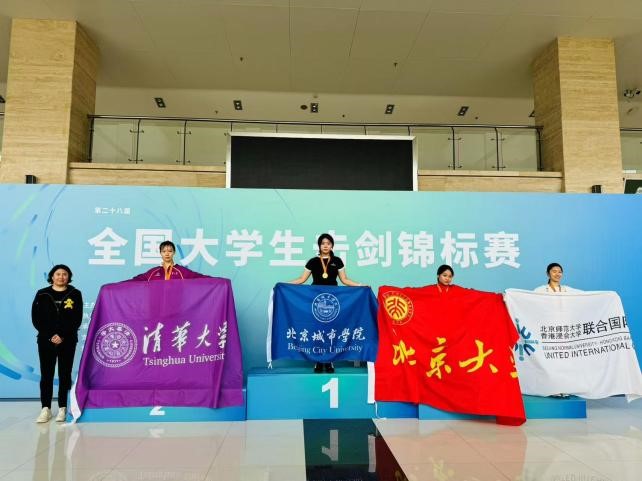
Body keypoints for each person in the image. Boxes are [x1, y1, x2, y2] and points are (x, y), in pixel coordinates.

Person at [289, 233, 363, 373]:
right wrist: (284, 284)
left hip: (333, 301)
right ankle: (317, 361)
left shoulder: (337, 261)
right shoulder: (312, 262)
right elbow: (301, 279)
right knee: (317, 330)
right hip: (316, 301)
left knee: (331, 330)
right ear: (319, 245)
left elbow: (345, 280)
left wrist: (361, 285)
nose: (325, 246)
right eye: (323, 243)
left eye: (328, 243)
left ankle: (329, 361)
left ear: (332, 246)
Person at [31, 264, 83, 423]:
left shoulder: (75, 293)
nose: (61, 277)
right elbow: (36, 318)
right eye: (58, 274)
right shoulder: (42, 294)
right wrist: (50, 335)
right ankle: (45, 408)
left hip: (67, 341)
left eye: (64, 274)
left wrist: (62, 335)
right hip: (46, 341)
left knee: (65, 374)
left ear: (69, 277)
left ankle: (63, 407)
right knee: (46, 375)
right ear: (52, 277)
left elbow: (77, 319)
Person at [132, 240, 207, 281]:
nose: (167, 254)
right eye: (164, 251)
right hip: (156, 304)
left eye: (170, 251)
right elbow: (136, 280)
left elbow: (199, 277)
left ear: (174, 252)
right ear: (160, 253)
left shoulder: (181, 271)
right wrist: (124, 285)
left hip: (176, 304)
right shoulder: (153, 272)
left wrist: (214, 281)